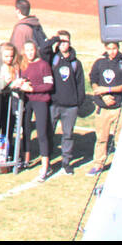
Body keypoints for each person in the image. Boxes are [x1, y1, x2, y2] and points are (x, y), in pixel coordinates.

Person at [41, 31, 86, 175]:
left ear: (70, 43)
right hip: (54, 104)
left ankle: (66, 162)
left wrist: (77, 103)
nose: (63, 44)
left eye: (66, 41)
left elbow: (80, 85)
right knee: (49, 133)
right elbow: (43, 49)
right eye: (60, 42)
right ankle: (47, 160)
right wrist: (55, 39)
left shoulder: (75, 63)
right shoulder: (52, 58)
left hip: (70, 106)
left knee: (68, 135)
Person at [88, 41, 122, 175]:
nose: (112, 51)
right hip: (103, 108)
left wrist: (107, 89)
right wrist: (102, 95)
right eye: (109, 48)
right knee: (102, 138)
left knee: (121, 138)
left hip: (119, 107)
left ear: (118, 48)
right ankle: (98, 164)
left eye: (114, 48)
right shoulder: (99, 63)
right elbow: (93, 81)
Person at [19, 42, 55, 182]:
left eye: (32, 49)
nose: (29, 52)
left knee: (42, 132)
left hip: (40, 101)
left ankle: (45, 165)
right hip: (26, 101)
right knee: (26, 130)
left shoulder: (43, 65)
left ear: (36, 50)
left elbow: (49, 85)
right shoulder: (23, 64)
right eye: (27, 50)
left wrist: (33, 89)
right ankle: (26, 159)